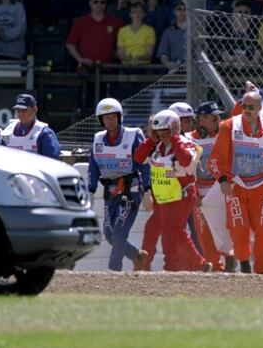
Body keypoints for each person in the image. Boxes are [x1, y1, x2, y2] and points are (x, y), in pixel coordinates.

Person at [210, 92, 263, 274]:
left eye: (251, 107)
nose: (247, 110)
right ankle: (244, 263)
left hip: (262, 187)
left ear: (260, 108)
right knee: (239, 230)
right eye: (244, 106)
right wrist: (222, 180)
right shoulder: (229, 126)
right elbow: (216, 158)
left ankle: (262, 271)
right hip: (236, 187)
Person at [133, 109, 212, 272]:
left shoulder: (186, 143)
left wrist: (175, 139)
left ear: (174, 129)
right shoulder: (157, 147)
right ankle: (145, 266)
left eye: (165, 132)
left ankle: (199, 264)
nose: (163, 137)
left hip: (181, 195)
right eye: (159, 133)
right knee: (152, 228)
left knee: (173, 230)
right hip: (164, 197)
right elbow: (138, 158)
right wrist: (150, 140)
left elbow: (187, 162)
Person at [88, 98, 150, 271]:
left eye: (113, 116)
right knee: (109, 233)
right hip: (111, 191)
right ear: (101, 120)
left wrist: (147, 190)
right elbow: (93, 166)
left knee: (118, 233)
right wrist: (90, 190)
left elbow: (144, 163)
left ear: (119, 117)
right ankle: (137, 256)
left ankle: (114, 271)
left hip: (132, 189)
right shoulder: (98, 139)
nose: (110, 120)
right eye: (106, 118)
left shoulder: (133, 135)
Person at [188, 100, 227, 272]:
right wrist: (194, 193)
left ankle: (230, 258)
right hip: (201, 193)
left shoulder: (225, 134)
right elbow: (188, 170)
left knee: (227, 229)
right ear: (201, 119)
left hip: (222, 190)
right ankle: (216, 268)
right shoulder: (189, 139)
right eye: (212, 117)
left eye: (218, 117)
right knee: (204, 233)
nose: (217, 120)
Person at [66, 0, 125, 67]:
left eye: (102, 2)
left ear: (106, 4)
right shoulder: (80, 22)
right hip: (86, 69)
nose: (99, 4)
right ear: (90, 3)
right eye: (95, 2)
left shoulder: (116, 22)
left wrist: (117, 54)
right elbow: (70, 44)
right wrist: (80, 59)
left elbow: (126, 42)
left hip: (110, 68)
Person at [2, 94, 60, 159]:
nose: (20, 114)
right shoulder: (8, 131)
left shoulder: (44, 133)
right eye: (18, 110)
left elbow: (52, 161)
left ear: (35, 109)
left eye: (24, 110)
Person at [158, 1, 186, 72]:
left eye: (185, 9)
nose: (182, 12)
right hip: (175, 67)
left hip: (193, 68)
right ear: (174, 11)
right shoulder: (168, 32)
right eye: (179, 9)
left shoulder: (195, 30)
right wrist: (168, 64)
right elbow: (163, 54)